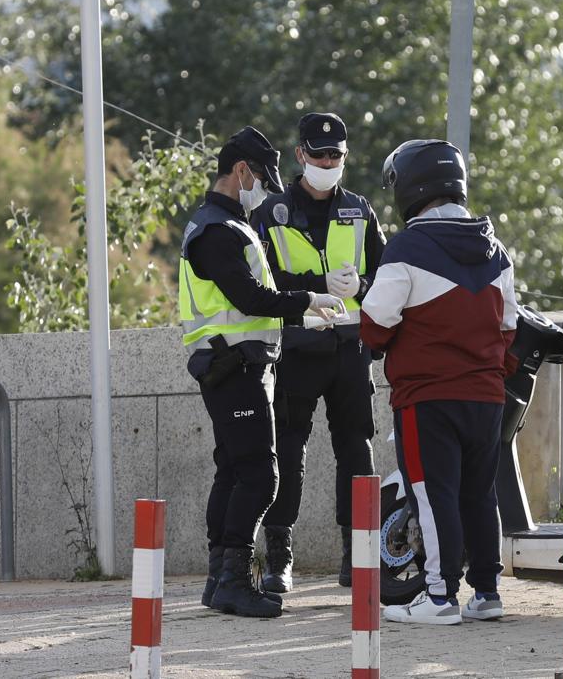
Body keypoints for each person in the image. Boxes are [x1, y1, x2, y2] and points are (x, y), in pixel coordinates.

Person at [179, 126, 344, 618]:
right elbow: (250, 299)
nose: (263, 192)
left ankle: (219, 579)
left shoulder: (226, 226)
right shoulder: (216, 231)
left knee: (233, 471)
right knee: (260, 475)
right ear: (241, 171)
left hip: (236, 364)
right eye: (260, 180)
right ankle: (232, 579)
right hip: (234, 366)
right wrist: (308, 301)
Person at [361, 139, 519, 625]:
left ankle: (438, 596)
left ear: (411, 187)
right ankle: (486, 592)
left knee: (432, 495)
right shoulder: (495, 250)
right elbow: (510, 328)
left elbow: (374, 327)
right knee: (479, 494)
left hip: (426, 396)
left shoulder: (407, 247)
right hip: (487, 397)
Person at [249, 112, 386, 592]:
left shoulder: (360, 210)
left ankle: (357, 554)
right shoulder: (272, 214)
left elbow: (389, 278)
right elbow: (260, 286)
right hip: (297, 348)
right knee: (288, 451)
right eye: (319, 153)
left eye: (337, 155)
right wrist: (316, 286)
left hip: (350, 348)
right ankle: (279, 557)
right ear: (301, 154)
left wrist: (363, 284)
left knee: (357, 449)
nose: (328, 162)